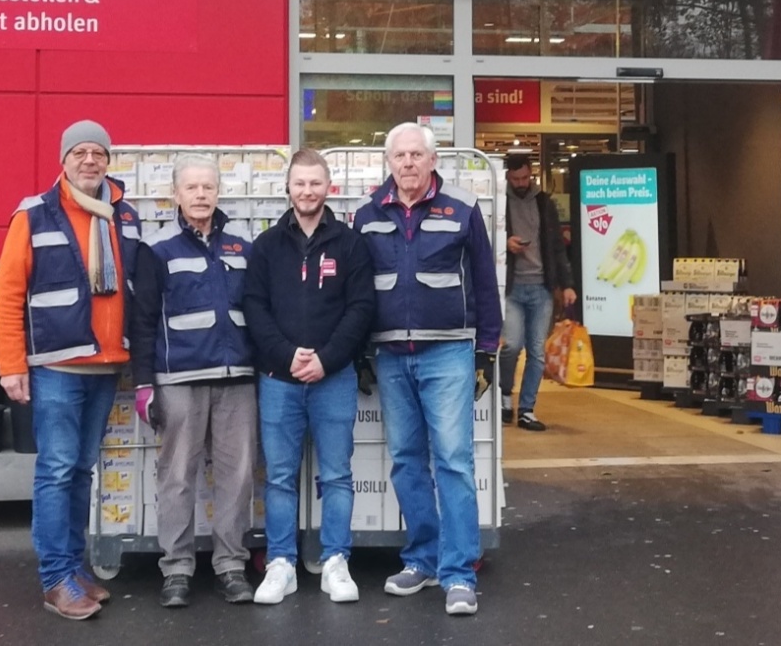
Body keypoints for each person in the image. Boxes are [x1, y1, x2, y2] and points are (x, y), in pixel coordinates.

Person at [353, 123, 502, 617]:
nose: (409, 163)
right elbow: (356, 292)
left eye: (418, 154)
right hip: (391, 354)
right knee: (407, 461)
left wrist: (486, 350)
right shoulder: (367, 215)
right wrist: (358, 353)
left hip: (448, 353)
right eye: (400, 155)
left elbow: (484, 278)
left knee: (455, 462)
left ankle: (459, 574)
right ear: (388, 161)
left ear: (433, 160)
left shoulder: (462, 207)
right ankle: (423, 558)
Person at [0, 121, 142, 619]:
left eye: (98, 152)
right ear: (63, 160)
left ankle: (74, 569)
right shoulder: (35, 215)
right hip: (56, 366)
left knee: (81, 470)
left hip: (105, 367)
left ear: (108, 160)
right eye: (78, 152)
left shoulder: (125, 216)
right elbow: (10, 294)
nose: (89, 161)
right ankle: (56, 579)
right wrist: (11, 365)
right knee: (57, 471)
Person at [242, 148, 374, 606]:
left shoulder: (351, 244)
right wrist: (286, 353)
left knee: (336, 475)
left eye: (315, 183)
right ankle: (281, 563)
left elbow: (361, 308)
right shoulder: (266, 247)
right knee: (279, 477)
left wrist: (328, 358)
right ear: (288, 188)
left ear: (329, 187)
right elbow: (254, 307)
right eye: (300, 183)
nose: (307, 191)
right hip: (279, 378)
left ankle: (336, 560)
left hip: (333, 379)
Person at [130, 154, 258, 608]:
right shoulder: (157, 247)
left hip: (238, 378)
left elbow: (259, 310)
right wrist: (144, 382)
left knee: (237, 477)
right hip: (179, 377)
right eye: (192, 188)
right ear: (176, 195)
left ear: (219, 191)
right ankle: (177, 569)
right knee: (177, 477)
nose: (201, 195)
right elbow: (142, 320)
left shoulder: (244, 244)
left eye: (208, 187)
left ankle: (230, 566)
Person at [499, 153, 576, 431]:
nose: (521, 183)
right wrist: (504, 242)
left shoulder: (544, 204)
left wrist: (566, 284)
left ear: (531, 174)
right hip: (512, 287)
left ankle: (527, 409)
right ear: (507, 177)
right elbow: (485, 236)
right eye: (515, 178)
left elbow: (556, 245)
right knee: (510, 346)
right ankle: (505, 394)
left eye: (524, 178)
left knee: (536, 352)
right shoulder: (500, 202)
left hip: (541, 287)